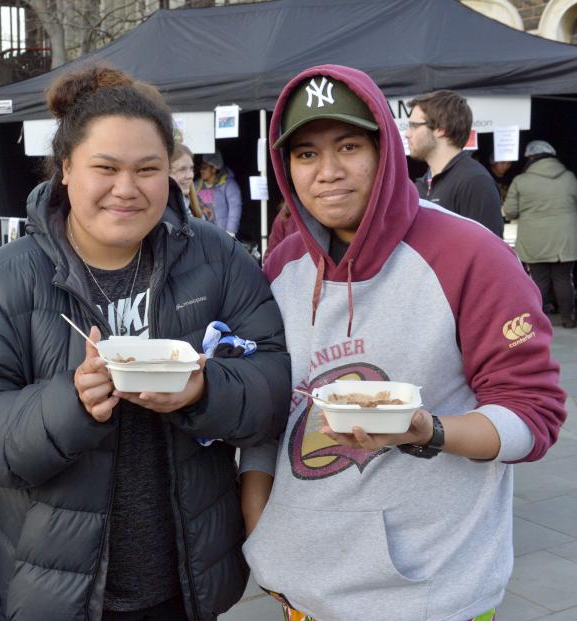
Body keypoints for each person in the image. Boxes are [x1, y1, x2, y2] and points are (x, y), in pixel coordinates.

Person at [0, 64, 291, 620]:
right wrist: (70, 404)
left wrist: (202, 390)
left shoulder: (217, 260)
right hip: (48, 591)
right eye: (106, 168)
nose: (127, 189)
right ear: (66, 169)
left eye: (148, 169)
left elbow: (272, 378)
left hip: (187, 583)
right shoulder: (3, 281)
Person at [239, 65, 566, 621]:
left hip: (430, 595)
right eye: (306, 154)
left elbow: (533, 416)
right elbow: (268, 416)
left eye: (348, 145)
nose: (328, 172)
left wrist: (430, 431)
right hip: (302, 589)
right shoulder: (280, 268)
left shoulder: (469, 255)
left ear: (386, 150)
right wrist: (262, 535)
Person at [406, 90, 504, 238]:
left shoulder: (475, 182)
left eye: (414, 125)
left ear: (441, 129)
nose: (407, 133)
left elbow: (490, 255)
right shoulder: (421, 185)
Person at [502, 140, 577, 328]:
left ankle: (537, 321)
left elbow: (510, 211)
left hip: (534, 239)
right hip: (565, 239)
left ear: (531, 158)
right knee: (563, 278)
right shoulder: (569, 178)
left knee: (539, 280)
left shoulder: (521, 181)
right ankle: (568, 318)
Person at [196, 151, 243, 235]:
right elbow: (189, 201)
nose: (201, 170)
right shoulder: (197, 185)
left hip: (222, 234)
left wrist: (230, 232)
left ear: (214, 168)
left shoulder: (228, 185)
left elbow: (235, 208)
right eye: (201, 167)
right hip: (202, 233)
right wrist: (202, 207)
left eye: (205, 167)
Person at [169, 143, 204, 219]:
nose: (190, 175)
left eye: (191, 168)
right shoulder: (163, 214)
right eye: (182, 169)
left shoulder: (191, 206)